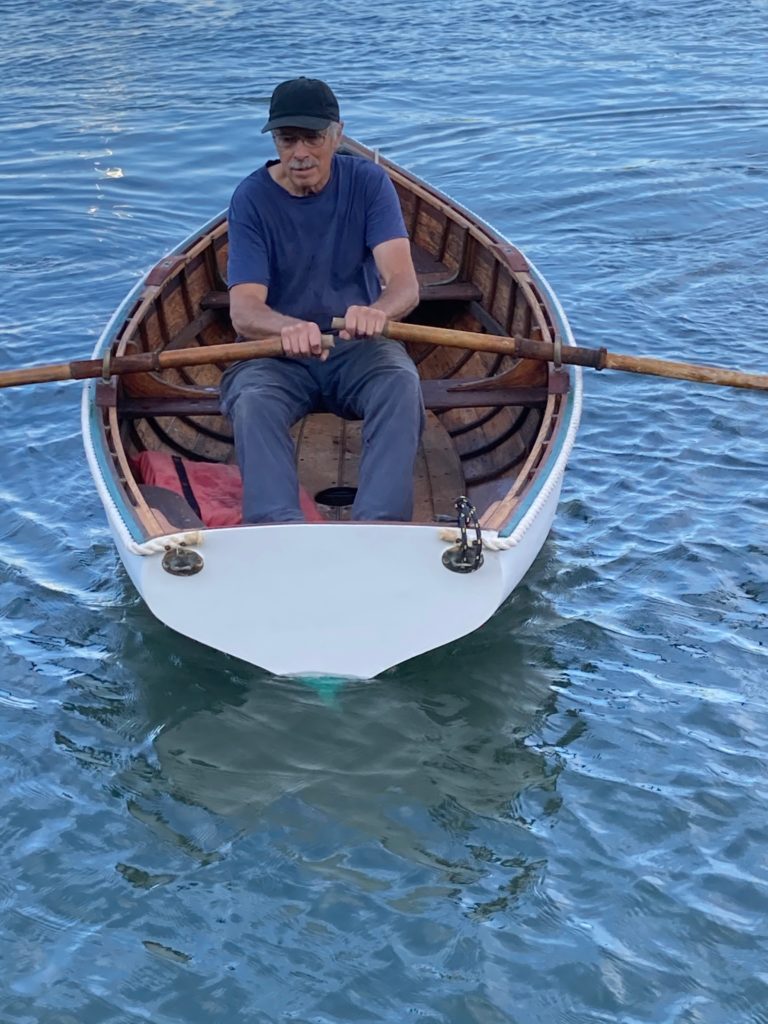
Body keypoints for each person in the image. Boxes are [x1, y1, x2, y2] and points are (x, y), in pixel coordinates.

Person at [219, 76, 425, 524]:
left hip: (357, 347)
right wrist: (287, 329)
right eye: (287, 139)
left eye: (312, 138)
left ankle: (381, 525)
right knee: (252, 401)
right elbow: (245, 310)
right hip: (275, 355)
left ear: (337, 135)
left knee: (400, 382)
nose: (300, 153)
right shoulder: (251, 198)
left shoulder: (369, 183)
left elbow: (404, 284)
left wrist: (377, 313)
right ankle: (276, 527)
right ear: (275, 141)